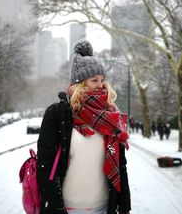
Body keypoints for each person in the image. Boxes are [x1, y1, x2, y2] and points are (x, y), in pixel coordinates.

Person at [37, 41, 131, 214]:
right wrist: (57, 209)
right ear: (79, 84)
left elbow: (120, 165)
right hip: (67, 208)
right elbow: (45, 167)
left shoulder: (111, 116)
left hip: (104, 207)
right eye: (94, 80)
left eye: (102, 80)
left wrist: (124, 206)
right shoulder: (58, 114)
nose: (100, 85)